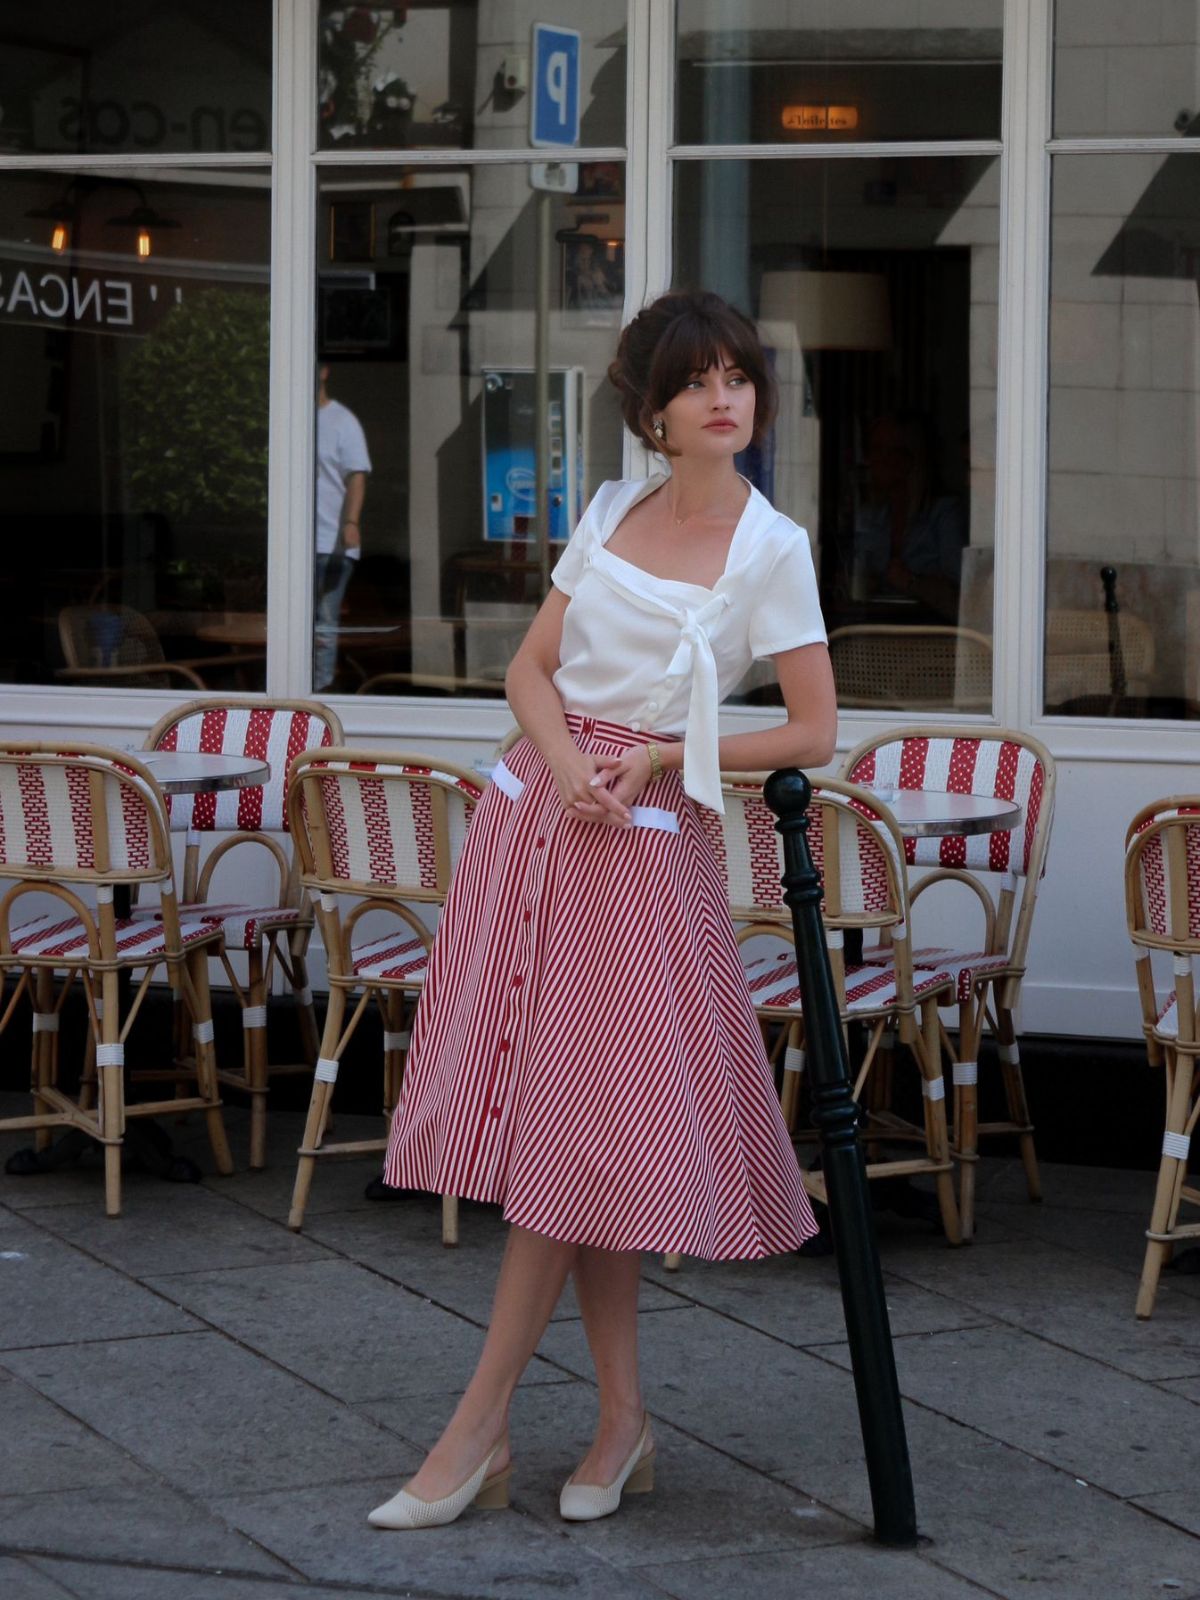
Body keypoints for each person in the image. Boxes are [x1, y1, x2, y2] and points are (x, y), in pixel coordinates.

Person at [368, 289, 838, 1532]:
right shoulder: (612, 510)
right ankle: (621, 1417)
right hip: (536, 824)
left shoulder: (771, 547)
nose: (725, 397)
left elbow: (814, 729)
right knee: (580, 1142)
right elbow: (531, 667)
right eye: (698, 381)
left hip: (643, 850)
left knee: (576, 1141)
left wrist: (667, 759)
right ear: (652, 408)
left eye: (738, 375)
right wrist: (565, 761)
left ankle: (477, 1426)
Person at [850, 411, 967, 621]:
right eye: (873, 450)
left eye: (887, 451)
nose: (875, 460)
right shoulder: (870, 517)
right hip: (871, 636)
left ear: (912, 457)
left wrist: (911, 582)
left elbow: (963, 599)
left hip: (933, 640)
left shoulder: (944, 515)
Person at [314, 363, 371, 690]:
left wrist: (350, 522)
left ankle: (320, 692)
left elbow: (356, 476)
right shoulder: (292, 416)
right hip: (298, 544)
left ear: (324, 371)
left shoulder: (342, 421)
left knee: (323, 622)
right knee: (296, 625)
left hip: (330, 542)